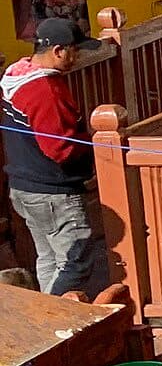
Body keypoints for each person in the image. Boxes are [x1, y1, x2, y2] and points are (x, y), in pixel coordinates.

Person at [3, 18, 103, 296]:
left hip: (25, 187)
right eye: (74, 50)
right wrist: (94, 144)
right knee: (75, 263)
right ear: (58, 51)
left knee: (49, 258)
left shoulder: (17, 75)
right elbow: (60, 148)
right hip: (52, 191)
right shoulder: (44, 90)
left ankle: (45, 308)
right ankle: (52, 313)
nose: (77, 57)